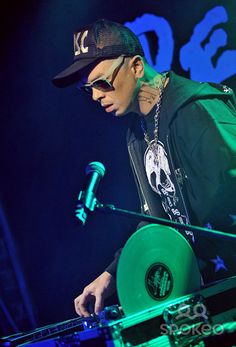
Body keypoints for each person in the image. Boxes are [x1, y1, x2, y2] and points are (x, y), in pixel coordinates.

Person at [52, 18, 236, 318]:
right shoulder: (137, 134)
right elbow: (157, 218)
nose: (97, 95)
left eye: (102, 82)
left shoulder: (196, 109)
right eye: (89, 89)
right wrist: (110, 275)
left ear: (136, 66)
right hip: (212, 294)